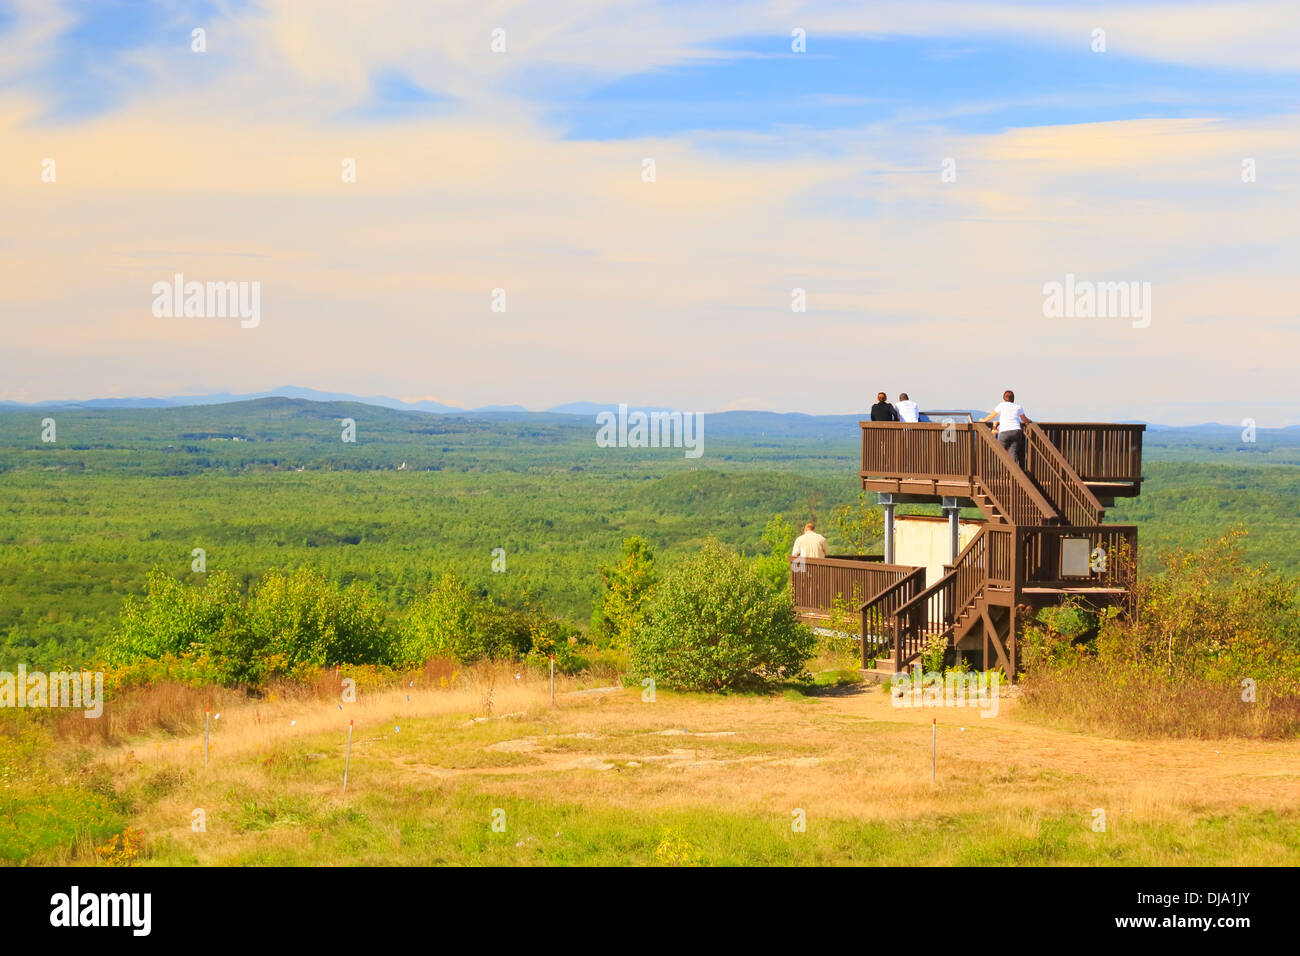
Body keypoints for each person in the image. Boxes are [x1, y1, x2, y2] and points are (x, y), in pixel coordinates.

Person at [980, 389, 1031, 466]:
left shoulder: (1001, 405)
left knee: (1001, 453)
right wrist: (1029, 421)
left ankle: (1003, 472)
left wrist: (984, 420)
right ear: (1013, 398)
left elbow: (992, 415)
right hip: (1016, 431)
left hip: (1004, 431)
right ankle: (1013, 474)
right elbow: (1024, 419)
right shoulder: (1018, 407)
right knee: (1013, 452)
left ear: (1004, 398)